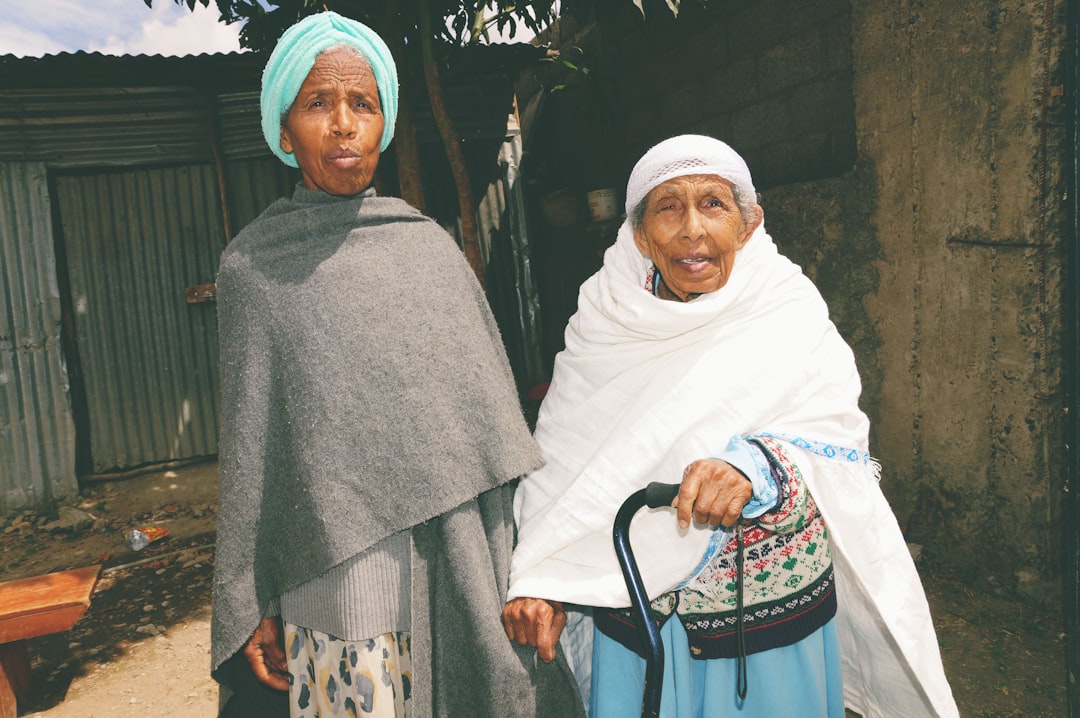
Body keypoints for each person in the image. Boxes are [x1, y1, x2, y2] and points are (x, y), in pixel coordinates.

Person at [502, 134, 959, 717]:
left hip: (764, 629)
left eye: (713, 204)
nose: (692, 228)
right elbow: (563, 465)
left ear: (748, 224)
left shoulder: (786, 306)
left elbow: (837, 433)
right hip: (639, 626)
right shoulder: (604, 320)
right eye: (669, 207)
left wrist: (758, 466)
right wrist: (541, 574)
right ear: (640, 235)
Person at [210, 11, 583, 718]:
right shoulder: (252, 269)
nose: (344, 124)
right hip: (337, 568)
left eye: (364, 103)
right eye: (318, 103)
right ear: (284, 133)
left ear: (383, 123)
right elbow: (251, 444)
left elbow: (490, 428)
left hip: (458, 551)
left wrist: (526, 565)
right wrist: (252, 590)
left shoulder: (429, 252)